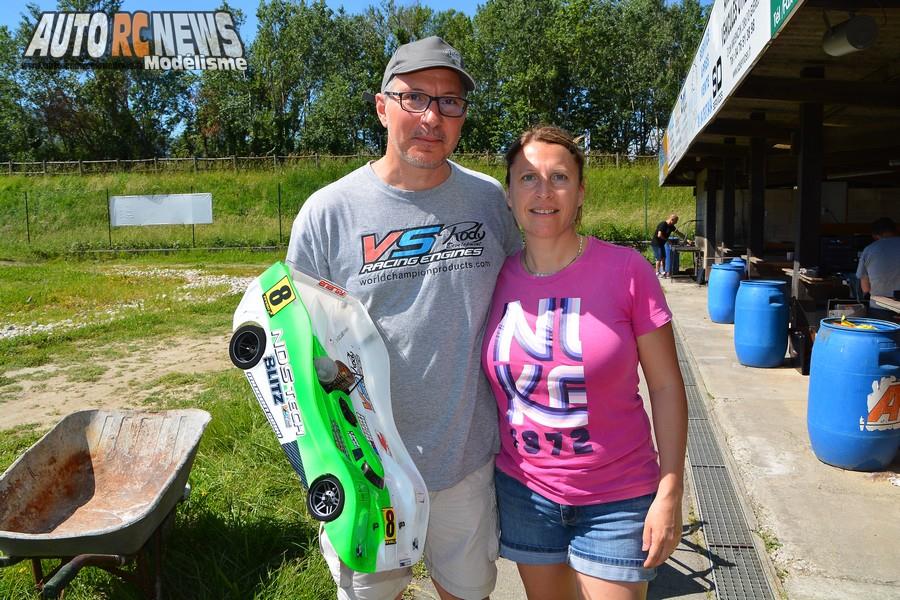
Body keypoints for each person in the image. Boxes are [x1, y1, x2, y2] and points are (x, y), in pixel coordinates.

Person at [286, 37, 521, 600]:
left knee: (466, 592)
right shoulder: (328, 213)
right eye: (413, 98)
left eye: (449, 102)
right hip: (366, 466)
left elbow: (530, 291)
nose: (431, 117)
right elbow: (291, 341)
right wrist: (322, 455)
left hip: (464, 459)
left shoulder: (490, 203)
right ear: (381, 106)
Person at [482, 125, 688, 600]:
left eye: (559, 177)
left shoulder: (627, 271)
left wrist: (670, 490)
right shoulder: (494, 277)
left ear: (580, 193)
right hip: (525, 492)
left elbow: (666, 387)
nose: (544, 191)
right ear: (509, 194)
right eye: (528, 178)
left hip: (617, 495)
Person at [856, 217, 900, 299]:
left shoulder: (869, 250)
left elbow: (865, 286)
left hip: (879, 305)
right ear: (896, 231)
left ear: (874, 235)